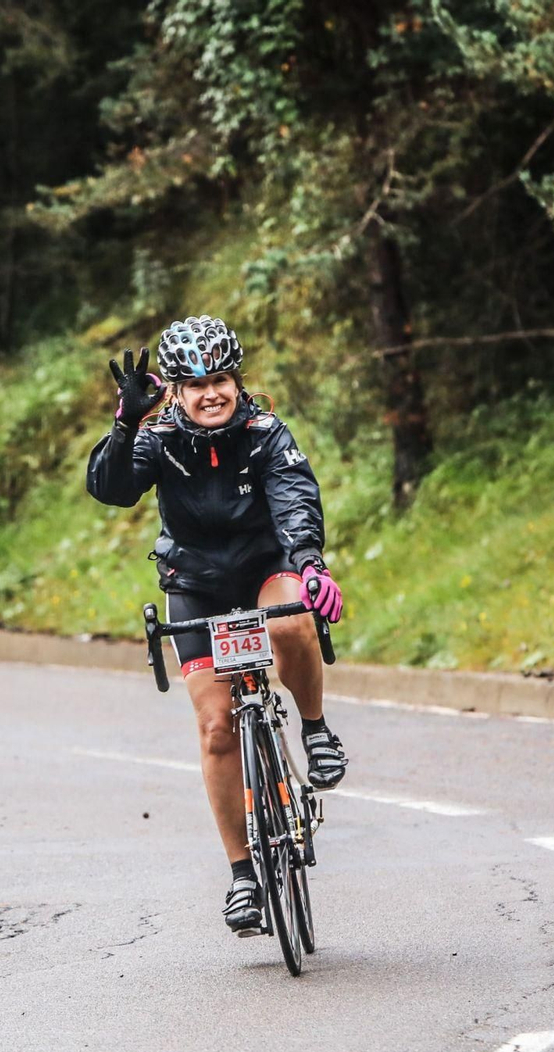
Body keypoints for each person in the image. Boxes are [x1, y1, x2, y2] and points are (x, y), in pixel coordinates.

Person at [86, 315, 348, 937]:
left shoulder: (264, 433)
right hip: (196, 584)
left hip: (266, 567)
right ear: (174, 391)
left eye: (222, 380)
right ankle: (241, 876)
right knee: (215, 728)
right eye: (194, 384)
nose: (211, 394)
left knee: (289, 624)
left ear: (237, 381)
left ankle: (314, 730)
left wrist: (309, 564)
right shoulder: (159, 438)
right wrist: (125, 425)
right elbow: (111, 489)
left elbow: (294, 498)